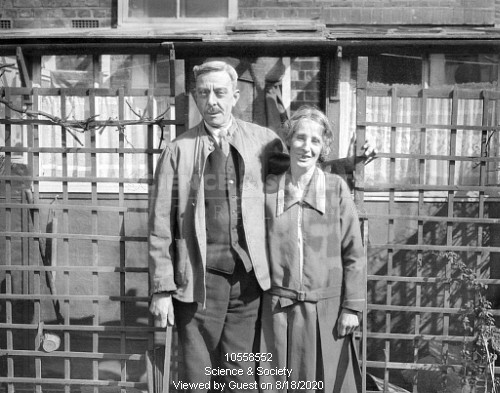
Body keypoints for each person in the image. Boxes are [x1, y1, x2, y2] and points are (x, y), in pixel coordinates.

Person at [148, 60, 373, 392]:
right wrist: (162, 289)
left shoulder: (263, 141)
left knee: (240, 379)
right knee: (197, 380)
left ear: (235, 96)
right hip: (196, 285)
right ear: (195, 97)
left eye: (220, 92)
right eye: (204, 92)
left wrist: (348, 164)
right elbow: (160, 226)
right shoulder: (177, 152)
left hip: (247, 286)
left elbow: (301, 172)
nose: (211, 101)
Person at [260, 105, 366, 393]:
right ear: (289, 140)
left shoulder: (336, 189)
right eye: (300, 138)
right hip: (278, 313)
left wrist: (352, 307)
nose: (306, 147)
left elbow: (354, 252)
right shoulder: (269, 192)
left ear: (323, 148)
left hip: (326, 313)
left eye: (315, 141)